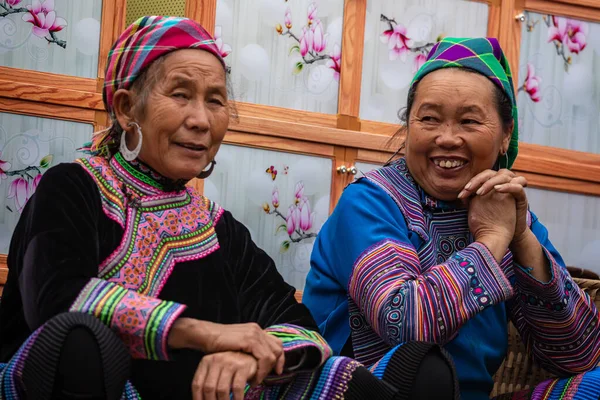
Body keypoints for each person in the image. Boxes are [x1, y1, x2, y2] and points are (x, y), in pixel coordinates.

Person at [0, 16, 460, 400]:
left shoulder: (220, 230)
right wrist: (207, 334)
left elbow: (302, 328)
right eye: (180, 94)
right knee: (83, 343)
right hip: (75, 379)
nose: (200, 119)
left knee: (358, 376)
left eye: (215, 100)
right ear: (126, 109)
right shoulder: (74, 187)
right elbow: (56, 299)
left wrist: (250, 355)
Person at [303, 37, 600, 400]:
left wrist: (521, 237)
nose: (447, 138)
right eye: (429, 119)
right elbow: (405, 325)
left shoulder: (507, 213)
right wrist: (491, 240)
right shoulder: (369, 202)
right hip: (376, 391)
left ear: (506, 135)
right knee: (419, 366)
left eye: (469, 121)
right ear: (409, 127)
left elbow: (580, 354)